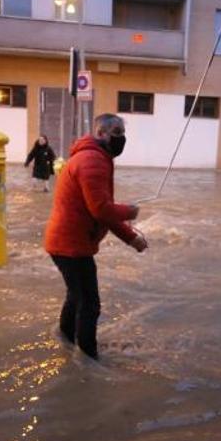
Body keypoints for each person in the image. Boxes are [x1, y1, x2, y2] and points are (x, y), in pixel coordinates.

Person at [44, 114, 148, 360]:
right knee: (89, 303)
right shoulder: (93, 160)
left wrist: (132, 238)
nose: (121, 137)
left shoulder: (93, 156)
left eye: (122, 132)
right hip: (72, 246)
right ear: (101, 132)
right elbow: (101, 209)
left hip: (66, 243)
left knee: (76, 296)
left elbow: (101, 212)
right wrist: (130, 212)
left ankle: (66, 343)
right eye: (116, 132)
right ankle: (87, 359)